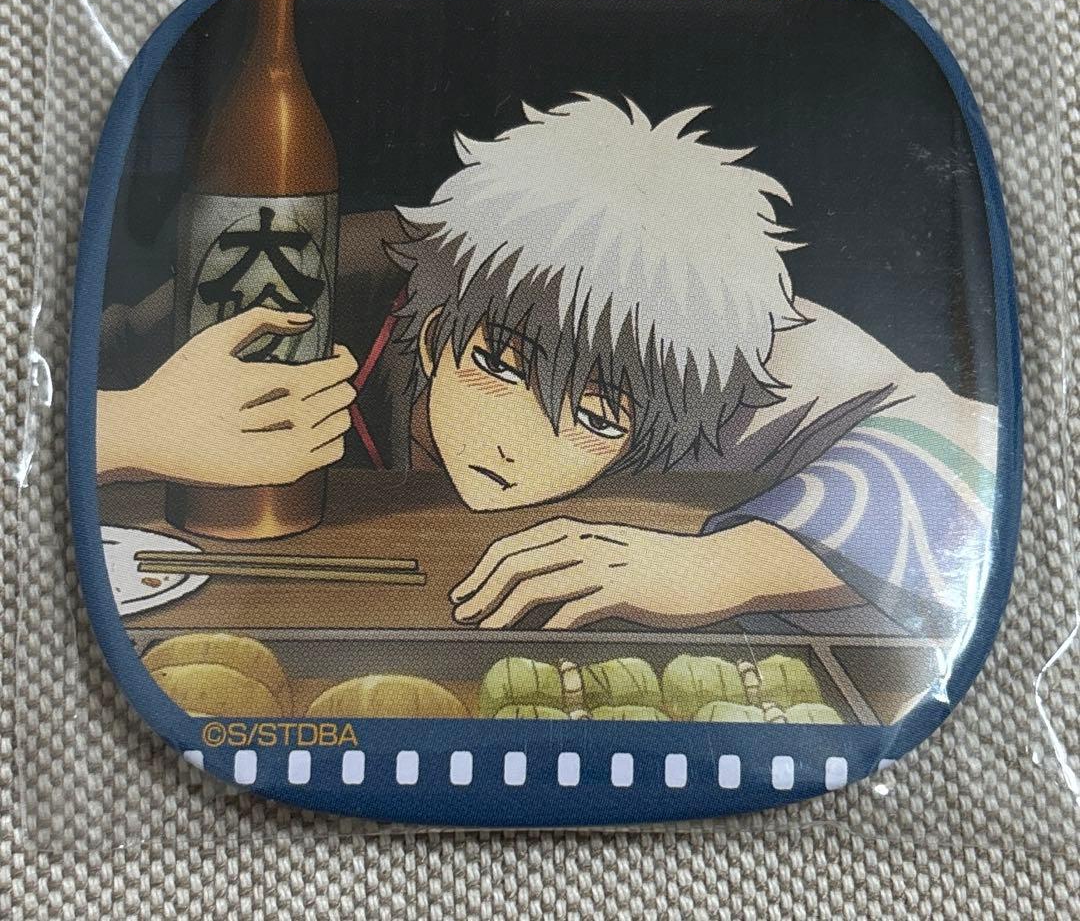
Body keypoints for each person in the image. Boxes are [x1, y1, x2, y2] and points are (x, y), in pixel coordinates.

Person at [97, 94, 997, 634]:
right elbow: (66, 374)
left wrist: (719, 570)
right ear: (436, 319)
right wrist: (134, 425)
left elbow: (967, 446)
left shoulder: (706, 347)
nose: (514, 441)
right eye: (497, 362)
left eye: (597, 417)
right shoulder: (339, 273)